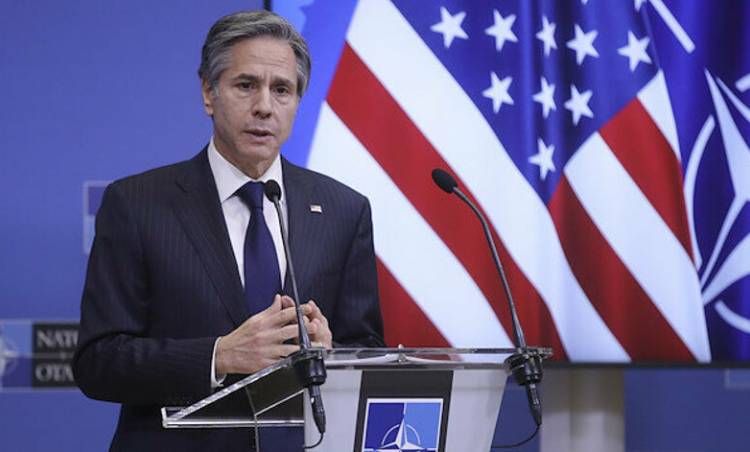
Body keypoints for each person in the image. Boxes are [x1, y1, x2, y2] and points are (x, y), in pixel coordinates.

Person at [73, 10, 384, 451]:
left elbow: (368, 352)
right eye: (246, 85)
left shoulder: (343, 210)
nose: (264, 106)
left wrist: (332, 352)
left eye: (282, 89)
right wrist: (219, 356)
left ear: (298, 101)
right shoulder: (137, 204)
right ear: (209, 92)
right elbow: (98, 362)